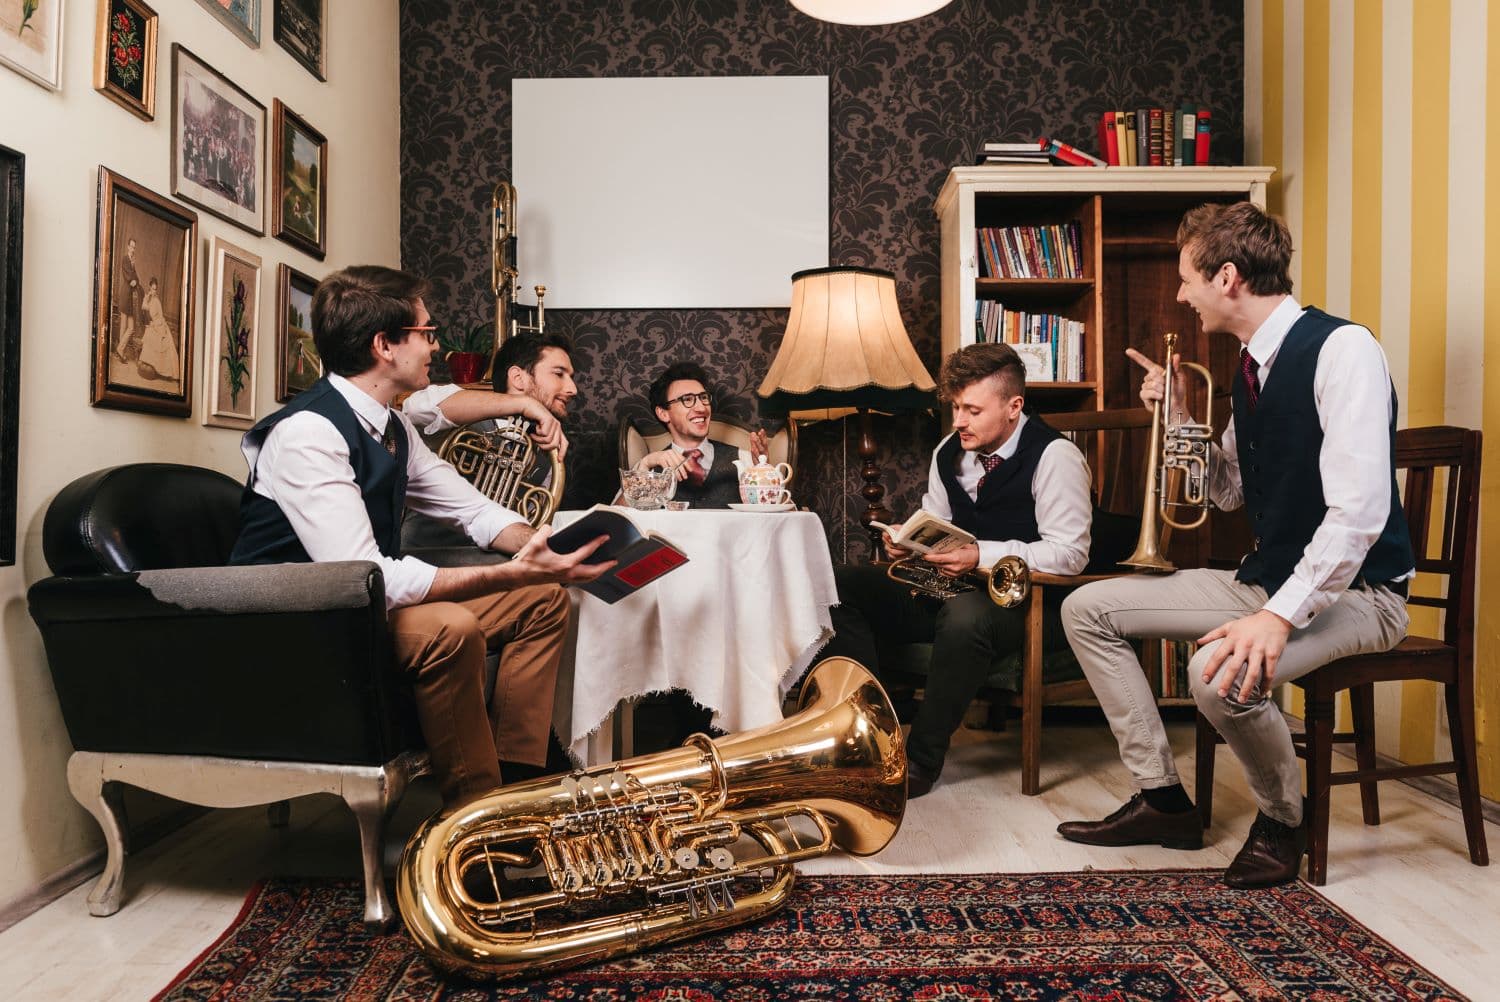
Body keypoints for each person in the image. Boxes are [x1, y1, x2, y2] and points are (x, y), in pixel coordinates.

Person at [1056, 201, 1414, 889]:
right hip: (1267, 579)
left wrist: (1276, 617)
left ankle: (1282, 819)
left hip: (1363, 593)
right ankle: (1163, 800)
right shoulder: (1250, 369)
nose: (1180, 295)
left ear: (1226, 278)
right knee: (1087, 610)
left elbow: (1360, 514)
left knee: (1217, 676)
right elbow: (1225, 492)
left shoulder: (1343, 350)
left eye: (1186, 278)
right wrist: (1180, 416)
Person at [228, 265, 612, 809]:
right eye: (426, 332)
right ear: (384, 345)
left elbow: (472, 510)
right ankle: (474, 818)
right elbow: (368, 578)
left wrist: (542, 551)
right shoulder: (308, 433)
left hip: (360, 606)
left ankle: (517, 784)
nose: (437, 345)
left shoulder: (393, 426)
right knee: (450, 627)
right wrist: (509, 572)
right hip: (302, 622)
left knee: (543, 599)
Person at [818, 342, 1092, 798]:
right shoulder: (950, 450)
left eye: (972, 410)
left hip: (1025, 603)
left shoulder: (1055, 457)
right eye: (956, 407)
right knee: (836, 585)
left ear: (1013, 407)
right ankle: (870, 732)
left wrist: (978, 554)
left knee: (964, 619)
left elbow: (1070, 554)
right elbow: (938, 522)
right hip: (949, 586)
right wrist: (908, 541)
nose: (959, 421)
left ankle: (919, 761)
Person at [634, 361, 769, 509]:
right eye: (687, 399)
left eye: (703, 397)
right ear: (663, 413)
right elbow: (619, 516)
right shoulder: (647, 468)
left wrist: (763, 473)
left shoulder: (744, 459)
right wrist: (646, 463)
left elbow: (781, 515)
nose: (701, 408)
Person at [136, 278, 179, 382]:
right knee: (149, 336)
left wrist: (158, 325)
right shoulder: (148, 298)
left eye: (155, 289)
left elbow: (160, 317)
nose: (154, 291)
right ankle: (149, 365)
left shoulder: (157, 301)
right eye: (152, 289)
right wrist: (147, 298)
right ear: (149, 288)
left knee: (162, 341)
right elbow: (144, 308)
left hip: (159, 324)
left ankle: (166, 373)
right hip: (152, 325)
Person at [114, 237, 144, 364]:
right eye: (131, 246)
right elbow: (129, 278)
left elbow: (136, 279)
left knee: (130, 328)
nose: (133, 249)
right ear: (128, 246)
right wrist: (133, 279)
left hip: (131, 299)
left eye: (134, 247)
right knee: (124, 326)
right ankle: (121, 353)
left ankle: (119, 350)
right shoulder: (125, 259)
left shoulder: (132, 261)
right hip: (125, 295)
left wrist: (135, 280)